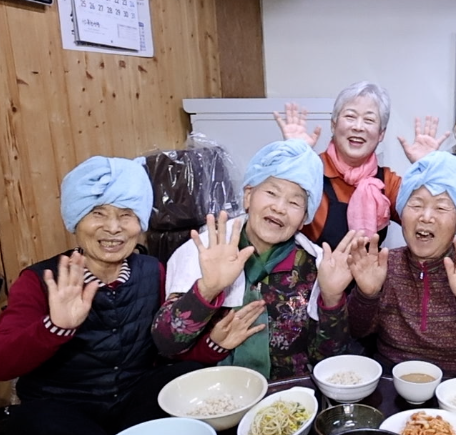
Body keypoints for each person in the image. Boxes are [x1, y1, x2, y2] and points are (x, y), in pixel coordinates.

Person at [0, 156, 202, 435]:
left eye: (126, 215)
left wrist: (214, 341)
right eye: (98, 213)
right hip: (71, 416)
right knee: (27, 424)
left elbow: (171, 344)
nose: (113, 228)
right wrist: (55, 327)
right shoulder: (41, 280)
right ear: (76, 219)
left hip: (131, 405)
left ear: (140, 224)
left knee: (187, 377)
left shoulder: (153, 270)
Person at [152, 139, 355, 380]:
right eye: (271, 193)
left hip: (290, 392)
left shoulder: (315, 266)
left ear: (303, 219)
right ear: (248, 196)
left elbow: (329, 361)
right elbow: (165, 344)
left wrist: (332, 298)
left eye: (294, 202)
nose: (279, 207)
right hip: (215, 390)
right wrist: (208, 289)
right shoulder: (206, 251)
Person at [347, 151, 456, 378]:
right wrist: (367, 295)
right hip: (393, 383)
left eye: (441, 207)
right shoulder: (385, 265)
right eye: (416, 205)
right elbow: (356, 331)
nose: (426, 217)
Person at [273, 82, 449, 248]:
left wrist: (427, 167)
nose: (358, 127)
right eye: (350, 116)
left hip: (368, 271)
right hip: (310, 270)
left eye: (369, 120)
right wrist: (293, 158)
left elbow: (427, 223)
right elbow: (277, 215)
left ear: (381, 134)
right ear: (333, 125)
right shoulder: (309, 171)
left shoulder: (387, 182)